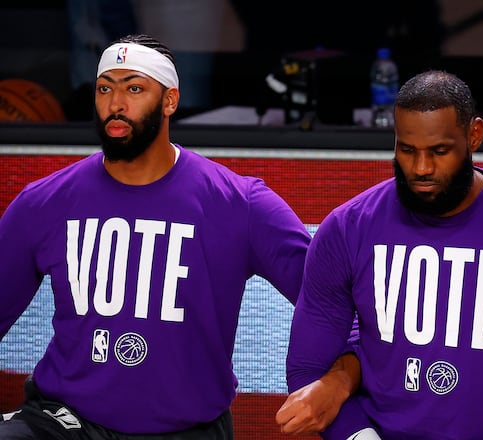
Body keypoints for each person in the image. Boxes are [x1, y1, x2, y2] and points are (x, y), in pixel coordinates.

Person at [0, 33, 348, 439]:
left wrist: (337, 383)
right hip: (65, 420)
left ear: (169, 101)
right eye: (104, 88)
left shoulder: (242, 203)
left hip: (186, 429)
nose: (116, 103)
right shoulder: (45, 202)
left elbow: (334, 304)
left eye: (134, 88)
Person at [278, 69, 483, 439]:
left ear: (474, 135)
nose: (421, 169)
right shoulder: (346, 229)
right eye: (407, 150)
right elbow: (309, 373)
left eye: (439, 151)